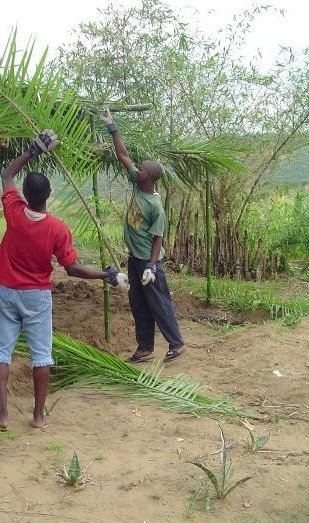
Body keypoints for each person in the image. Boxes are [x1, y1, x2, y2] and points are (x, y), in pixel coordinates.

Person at [0, 129, 128, 430]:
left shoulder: (14, 211)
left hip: (7, 291)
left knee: (0, 351)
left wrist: (32, 150)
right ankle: (38, 416)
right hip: (36, 297)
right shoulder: (57, 229)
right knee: (41, 356)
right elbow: (73, 269)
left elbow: (7, 174)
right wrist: (107, 275)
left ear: (25, 194)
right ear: (48, 195)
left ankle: (1, 415)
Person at [101, 108, 185, 363]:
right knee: (138, 303)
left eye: (142, 171)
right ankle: (145, 347)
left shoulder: (155, 206)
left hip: (149, 262)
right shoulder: (138, 184)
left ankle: (177, 344)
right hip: (135, 258)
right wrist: (112, 127)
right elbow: (123, 155)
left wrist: (151, 265)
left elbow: (158, 237)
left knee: (159, 302)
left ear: (150, 178)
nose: (137, 171)